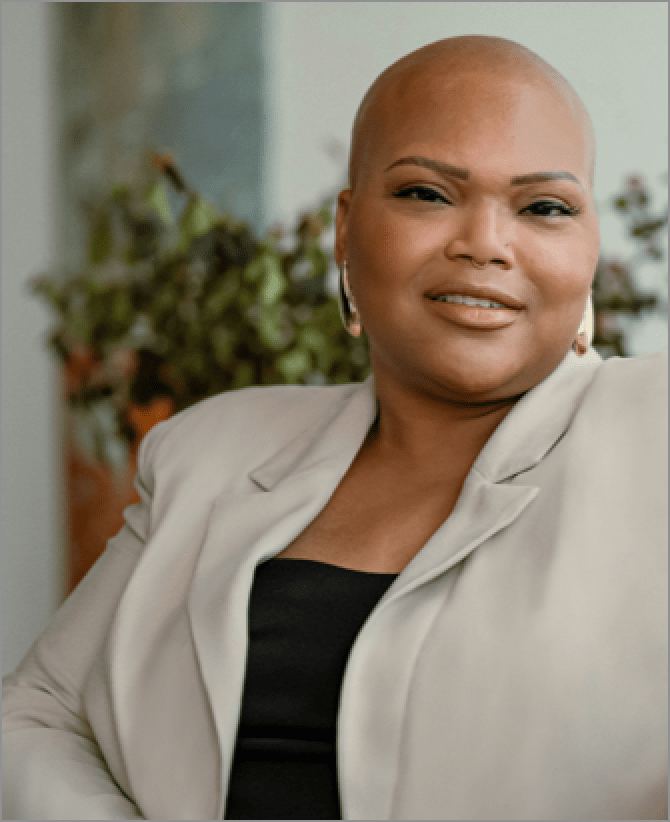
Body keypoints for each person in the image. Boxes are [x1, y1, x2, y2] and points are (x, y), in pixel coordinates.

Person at [3, 35, 667, 821]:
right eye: (426, 193)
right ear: (346, 230)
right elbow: (36, 714)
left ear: (589, 249)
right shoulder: (207, 451)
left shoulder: (653, 431)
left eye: (545, 207)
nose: (486, 244)